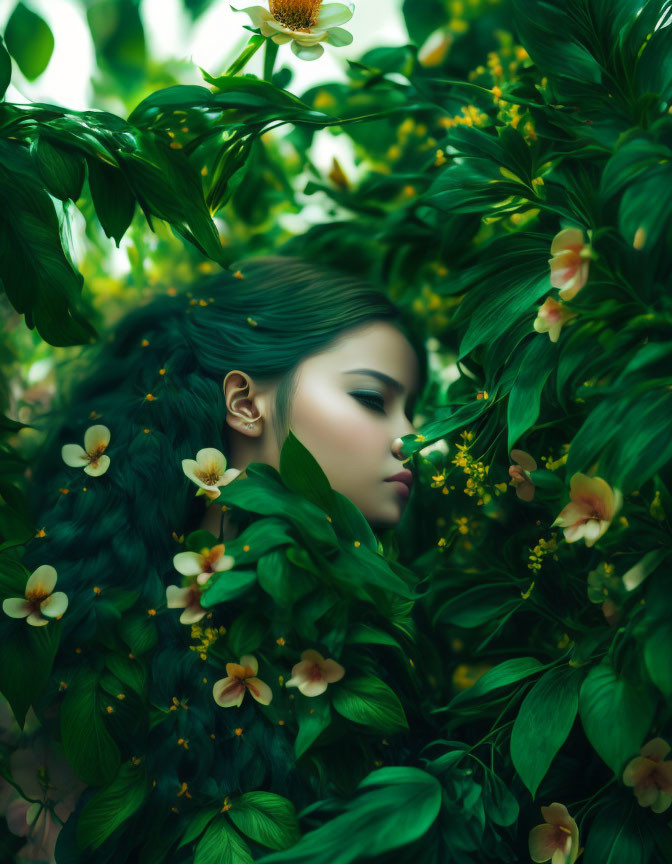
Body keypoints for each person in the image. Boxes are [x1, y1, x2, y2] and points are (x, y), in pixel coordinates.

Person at [6, 255, 429, 863]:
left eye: (409, 407)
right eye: (371, 397)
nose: (409, 436)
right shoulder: (85, 644)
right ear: (244, 402)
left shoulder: (373, 640)